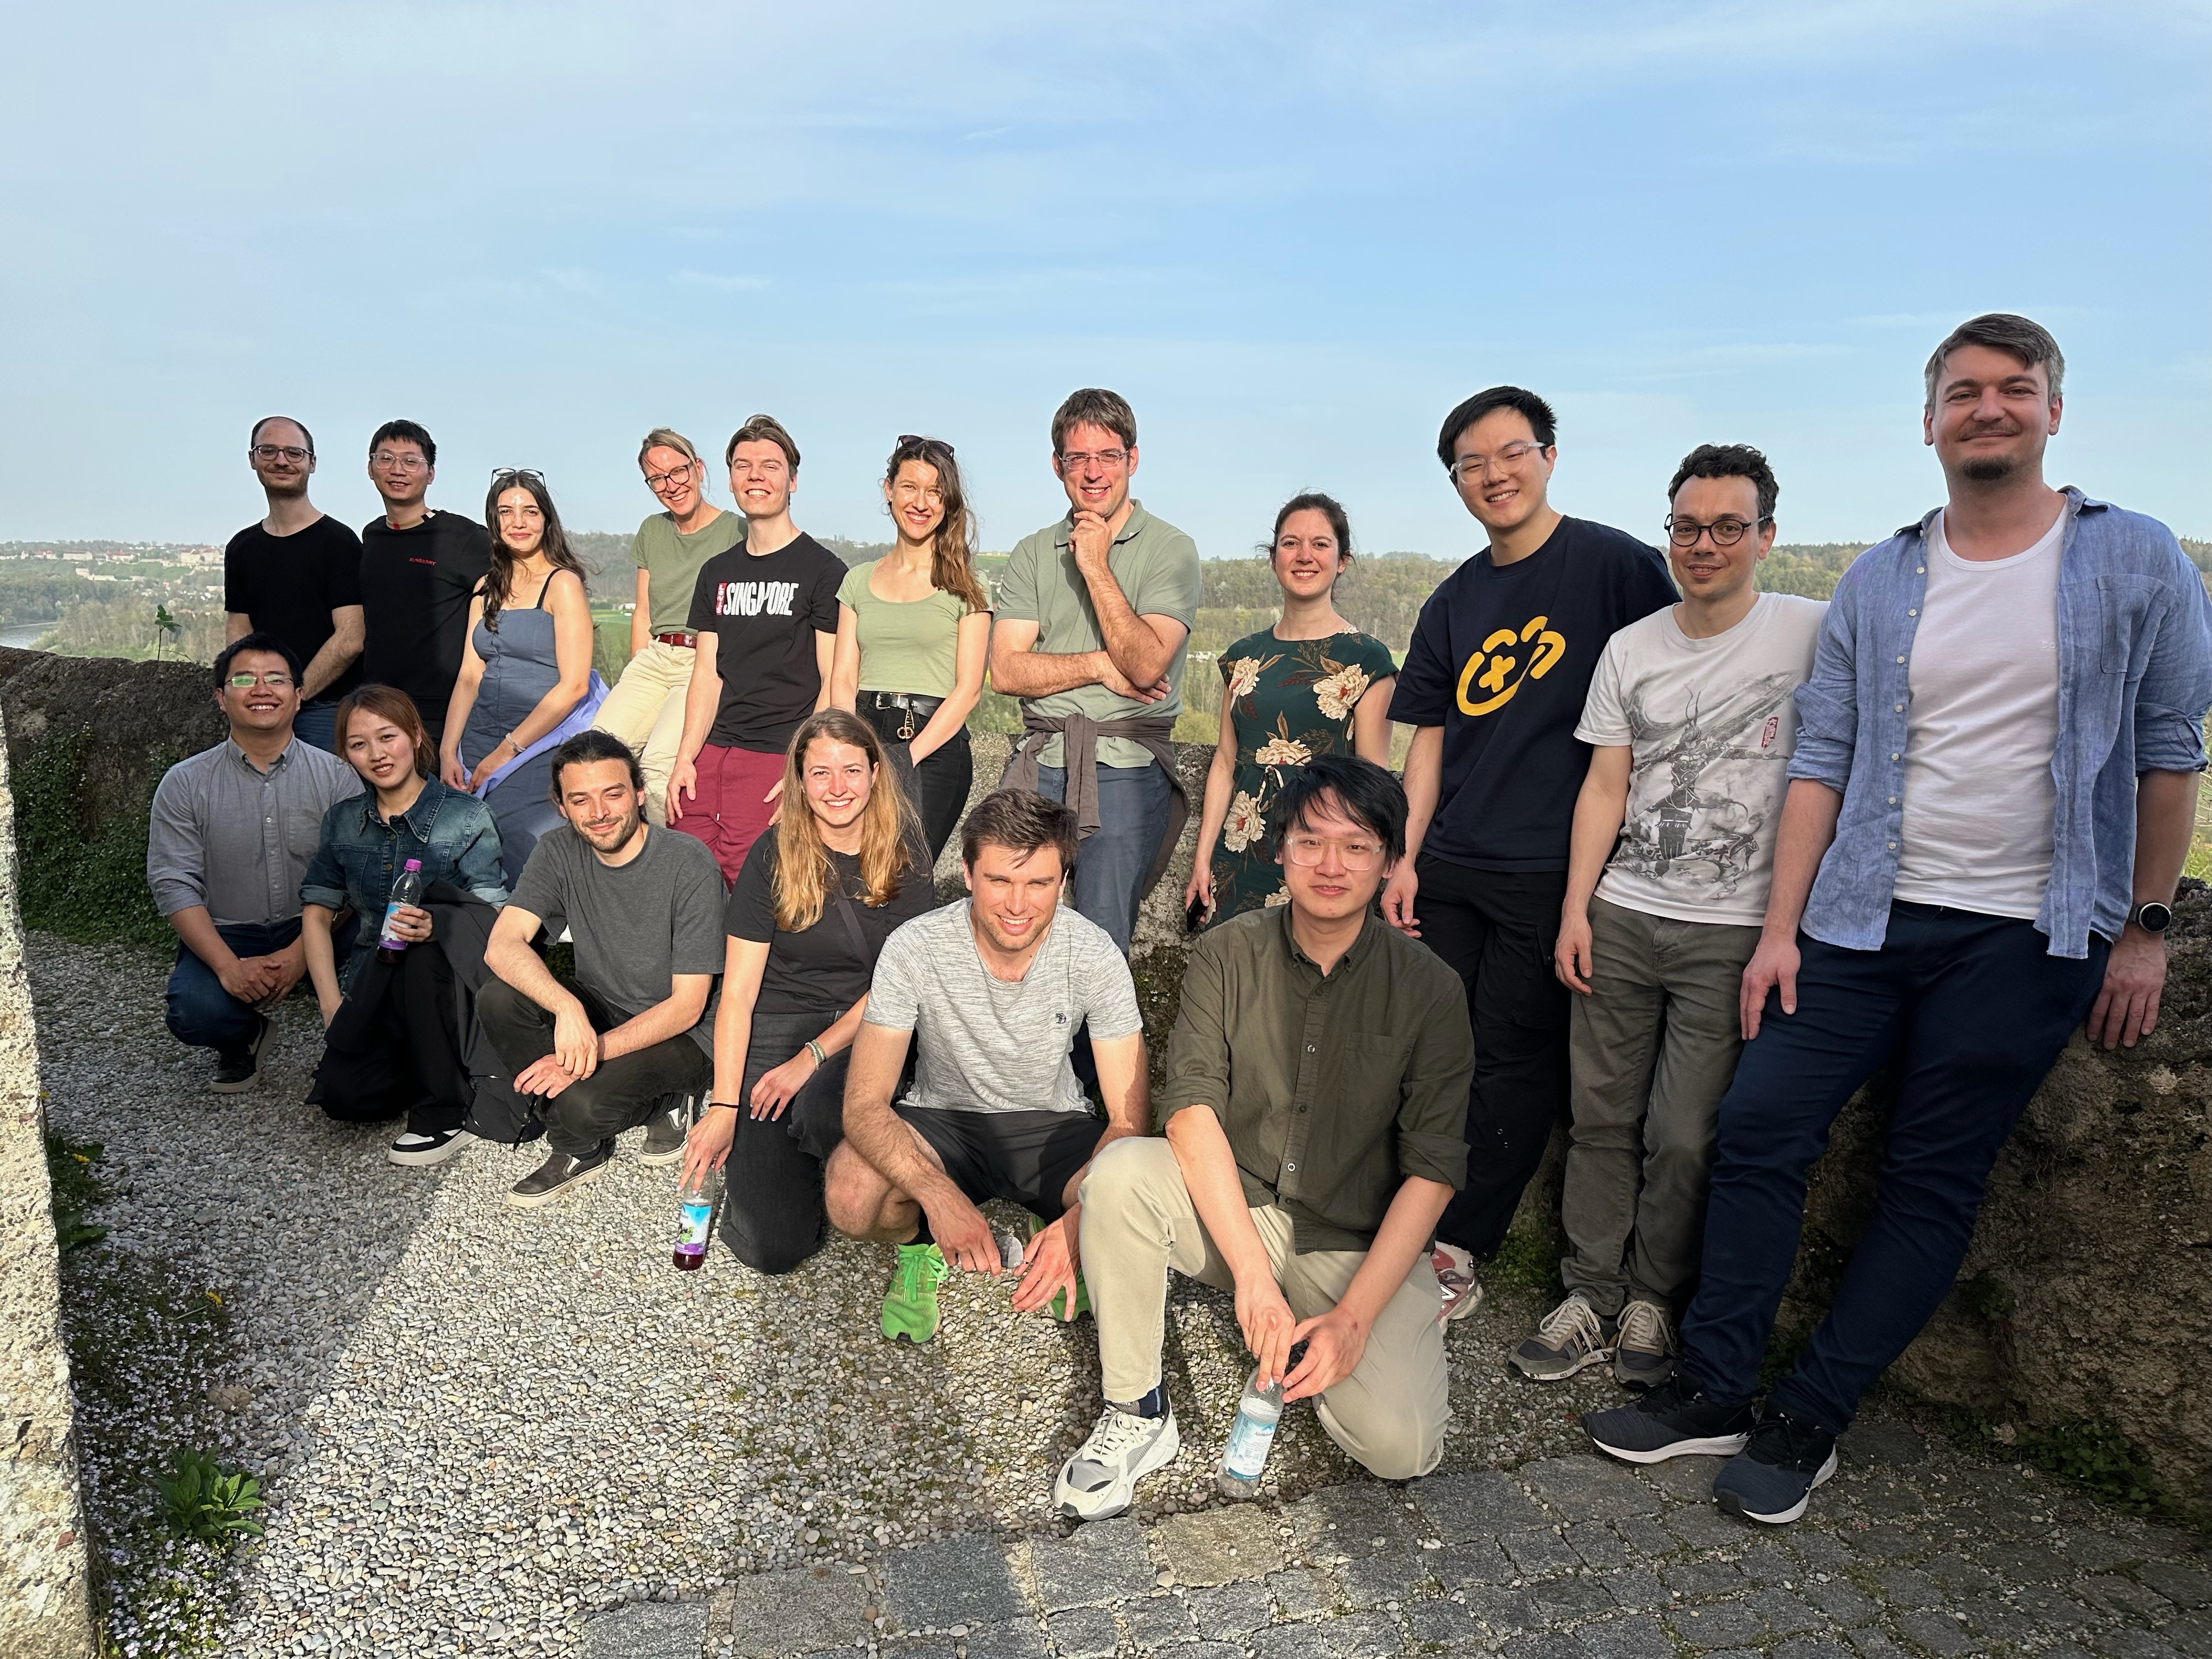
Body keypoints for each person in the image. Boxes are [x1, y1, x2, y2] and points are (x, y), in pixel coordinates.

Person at [1584, 315, 2212, 1527]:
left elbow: (2168, 752)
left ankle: (1805, 1416)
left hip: (2028, 934)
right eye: (1962, 392)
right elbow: (1821, 757)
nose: (1987, 409)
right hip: (1862, 920)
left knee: (1929, 1181)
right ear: (1927, 421)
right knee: (1757, 1127)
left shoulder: (2133, 560)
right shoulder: (1884, 575)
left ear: (2050, 412)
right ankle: (1713, 1385)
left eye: (2011, 390)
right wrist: (1779, 930)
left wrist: (2141, 928)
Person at [1061, 755, 1474, 1521]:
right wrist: (1253, 1277)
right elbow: (1190, 1111)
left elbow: (1434, 1168)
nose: (1330, 865)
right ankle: (1137, 1410)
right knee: (1118, 1173)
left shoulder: (1431, 988)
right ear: (1279, 847)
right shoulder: (1226, 952)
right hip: (1237, 1210)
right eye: (1311, 841)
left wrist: (1353, 1323)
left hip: (1352, 1236)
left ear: (1388, 860)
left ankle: (1388, 1314)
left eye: (1356, 846)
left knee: (1403, 1447)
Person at [1515, 445, 1824, 1390]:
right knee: (1600, 1119)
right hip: (1623, 913)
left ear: (1766, 537)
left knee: (1685, 1131)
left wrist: (1785, 926)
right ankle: (1589, 1295)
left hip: (1733, 929)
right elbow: (1605, 788)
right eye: (1688, 526)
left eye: (1728, 526)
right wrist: (1577, 909)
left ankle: (1653, 1296)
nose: (1705, 545)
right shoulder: (1633, 648)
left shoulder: (1811, 633)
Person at [1384, 387, 1677, 1322]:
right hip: (1454, 860)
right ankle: (1395, 1214)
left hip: (1555, 867)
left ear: (1548, 456)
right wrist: (1406, 855)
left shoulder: (1618, 568)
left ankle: (1460, 1241)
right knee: (1422, 1047)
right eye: (1472, 463)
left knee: (1515, 1057)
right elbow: (1425, 738)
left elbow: (1669, 688)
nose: (1493, 474)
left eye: (1510, 452)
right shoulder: (1455, 598)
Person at [824, 790, 1149, 1346]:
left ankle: (1054, 1226)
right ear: (968, 874)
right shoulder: (914, 947)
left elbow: (1127, 1120)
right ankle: (919, 1246)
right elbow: (862, 1104)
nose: (1018, 905)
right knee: (850, 1198)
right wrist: (937, 1196)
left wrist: (1082, 1224)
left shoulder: (1095, 954)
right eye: (1000, 880)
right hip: (943, 1118)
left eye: (1039, 884)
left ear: (1064, 881)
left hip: (1053, 1122)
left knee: (1134, 1195)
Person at [681, 710, 938, 1273]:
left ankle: (884, 1194)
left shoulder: (907, 852)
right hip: (778, 1021)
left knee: (829, 1109)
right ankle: (793, 1163)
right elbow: (740, 995)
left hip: (870, 1021)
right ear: (799, 781)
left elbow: (904, 984)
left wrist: (811, 1057)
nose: (838, 788)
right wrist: (726, 1105)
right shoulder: (771, 855)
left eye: (851, 769)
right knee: (773, 1249)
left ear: (876, 772)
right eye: (821, 773)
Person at [480, 731, 726, 1209]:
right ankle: (582, 1145)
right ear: (562, 807)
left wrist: (587, 1054)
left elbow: (689, 1005)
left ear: (638, 793)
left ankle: (669, 1099)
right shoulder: (557, 851)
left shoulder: (688, 863)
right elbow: (502, 945)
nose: (599, 812)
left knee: (582, 1105)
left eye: (613, 794)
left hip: (686, 1032)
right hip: (605, 1004)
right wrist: (567, 1008)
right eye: (581, 800)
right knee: (498, 997)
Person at [995, 389, 1200, 954]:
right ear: (1056, 464)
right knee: (1012, 938)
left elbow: (1145, 663)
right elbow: (1006, 670)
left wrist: (1093, 562)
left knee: (1099, 948)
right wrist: (1096, 667)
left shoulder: (1170, 549)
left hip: (1124, 770)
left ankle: (1095, 1048)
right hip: (1040, 765)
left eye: (1107, 456)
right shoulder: (1033, 551)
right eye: (1076, 458)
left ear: (1132, 460)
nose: (1092, 473)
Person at [300, 684, 510, 1166]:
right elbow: (316, 913)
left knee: (415, 941)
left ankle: (443, 1112)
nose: (377, 754)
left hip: (445, 987)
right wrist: (334, 1006)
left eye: (387, 736)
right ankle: (426, 1072)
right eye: (359, 744)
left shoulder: (467, 817)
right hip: (370, 987)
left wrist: (437, 926)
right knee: (344, 1099)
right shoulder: (342, 821)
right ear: (346, 755)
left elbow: (496, 918)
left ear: (416, 736)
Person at [147, 633, 362, 1091]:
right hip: (230, 930)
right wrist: (227, 966)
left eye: (277, 679)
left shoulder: (339, 778)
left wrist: (300, 955)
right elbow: (174, 882)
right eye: (245, 679)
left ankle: (365, 1052)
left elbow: (354, 877)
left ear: (299, 696)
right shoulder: (184, 783)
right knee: (195, 1012)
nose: (262, 690)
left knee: (381, 974)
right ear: (221, 699)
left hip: (321, 924)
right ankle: (244, 1037)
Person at [1186, 493, 1396, 924]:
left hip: (1321, 861)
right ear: (1273, 558)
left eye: (1320, 544)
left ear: (1342, 561)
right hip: (1240, 853)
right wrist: (1202, 859)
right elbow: (1226, 763)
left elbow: (1373, 781)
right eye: (1290, 543)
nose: (1304, 556)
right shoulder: (1243, 656)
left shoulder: (1367, 661)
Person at [668, 416, 844, 883]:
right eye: (743, 466)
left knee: (756, 891)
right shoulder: (715, 572)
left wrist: (806, 770)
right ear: (729, 480)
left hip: (775, 758)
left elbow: (833, 681)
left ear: (793, 480)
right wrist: (686, 756)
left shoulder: (824, 571)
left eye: (770, 465)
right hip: (711, 755)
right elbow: (707, 674)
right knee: (686, 889)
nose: (755, 476)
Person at [830, 434, 993, 859]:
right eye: (910, 487)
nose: (921, 502)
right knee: (852, 869)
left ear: (947, 502)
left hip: (933, 747)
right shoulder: (857, 581)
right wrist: (850, 754)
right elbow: (843, 677)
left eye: (935, 492)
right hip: (864, 734)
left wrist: (907, 759)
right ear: (889, 490)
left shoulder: (968, 586)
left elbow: (969, 690)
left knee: (906, 876)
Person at [442, 469, 606, 887]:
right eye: (506, 512)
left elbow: (573, 686)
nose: (518, 522)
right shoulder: (485, 588)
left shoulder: (562, 584)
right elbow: (468, 676)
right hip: (479, 734)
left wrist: (506, 751)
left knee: (517, 835)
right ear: (493, 523)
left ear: (547, 521)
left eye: (530, 512)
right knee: (452, 840)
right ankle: (471, 937)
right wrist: (447, 752)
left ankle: (523, 940)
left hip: (540, 736)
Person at [593, 428, 742, 823]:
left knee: (659, 771)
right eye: (657, 478)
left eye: (678, 472)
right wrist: (640, 668)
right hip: (656, 657)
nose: (670, 485)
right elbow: (643, 612)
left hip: (703, 661)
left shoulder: (735, 531)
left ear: (698, 468)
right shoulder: (652, 530)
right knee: (593, 750)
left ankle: (660, 872)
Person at [223, 417, 364, 752]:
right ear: (253, 459)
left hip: (325, 709)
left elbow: (350, 639)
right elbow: (238, 633)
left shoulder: (339, 543)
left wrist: (292, 695)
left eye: (294, 453)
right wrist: (251, 692)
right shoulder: (242, 548)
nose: (282, 461)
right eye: (269, 451)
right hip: (261, 708)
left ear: (311, 463)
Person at [358, 420, 493, 752]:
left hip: (443, 711)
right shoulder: (372, 536)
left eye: (411, 461)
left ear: (430, 473)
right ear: (371, 468)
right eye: (386, 458)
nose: (398, 470)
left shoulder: (463, 538)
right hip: (380, 708)